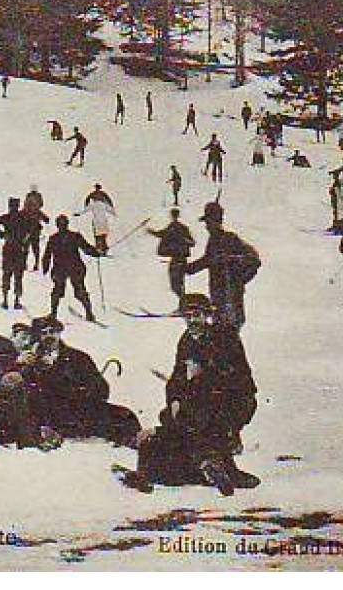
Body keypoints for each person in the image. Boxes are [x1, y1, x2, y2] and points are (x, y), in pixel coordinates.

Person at [125, 295, 259, 495]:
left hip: (235, 399)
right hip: (202, 399)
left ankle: (215, 465)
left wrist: (203, 371)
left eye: (196, 315)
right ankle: (203, 468)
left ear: (207, 316)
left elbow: (236, 378)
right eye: (186, 316)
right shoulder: (186, 341)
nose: (191, 321)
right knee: (172, 417)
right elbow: (177, 378)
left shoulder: (225, 338)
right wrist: (175, 400)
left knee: (197, 422)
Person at [21, 316, 140, 446]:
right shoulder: (29, 360)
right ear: (37, 336)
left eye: (52, 332)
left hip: (79, 410)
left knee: (125, 416)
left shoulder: (78, 357)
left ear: (59, 332)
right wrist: (27, 368)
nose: (49, 336)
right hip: (49, 414)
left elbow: (102, 390)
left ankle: (135, 443)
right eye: (44, 333)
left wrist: (83, 391)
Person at [183, 202, 259, 331]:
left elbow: (254, 259)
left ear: (217, 221)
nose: (207, 226)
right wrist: (188, 269)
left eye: (209, 222)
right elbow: (207, 260)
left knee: (229, 332)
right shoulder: (213, 241)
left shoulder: (230, 238)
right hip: (218, 295)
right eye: (206, 223)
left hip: (230, 296)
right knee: (220, 330)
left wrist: (238, 279)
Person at [43, 215, 101, 321]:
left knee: (71, 291)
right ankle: (87, 312)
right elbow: (86, 248)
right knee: (64, 291)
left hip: (70, 268)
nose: (62, 226)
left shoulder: (58, 238)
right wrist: (96, 252)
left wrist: (95, 252)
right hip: (68, 268)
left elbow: (86, 247)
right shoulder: (70, 237)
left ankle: (87, 312)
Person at [151, 209, 195, 307]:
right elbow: (161, 234)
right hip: (180, 259)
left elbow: (192, 242)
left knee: (176, 284)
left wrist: (151, 232)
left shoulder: (176, 228)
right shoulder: (180, 228)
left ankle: (184, 305)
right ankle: (183, 304)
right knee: (178, 284)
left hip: (177, 259)